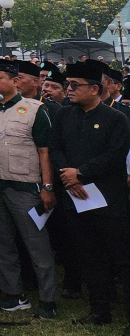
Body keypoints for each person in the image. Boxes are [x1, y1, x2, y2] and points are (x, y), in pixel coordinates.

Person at [50, 60, 130, 326]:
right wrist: (68, 177)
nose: (69, 89)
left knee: (120, 256)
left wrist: (80, 173)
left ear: (94, 89)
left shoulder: (116, 118)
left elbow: (115, 156)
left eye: (75, 85)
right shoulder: (63, 114)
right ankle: (99, 311)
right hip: (75, 197)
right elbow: (55, 147)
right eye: (68, 85)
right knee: (89, 255)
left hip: (109, 199)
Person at [0, 56, 57, 317]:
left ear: (16, 81)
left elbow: (45, 152)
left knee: (37, 245)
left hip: (24, 186)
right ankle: (13, 293)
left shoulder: (34, 110)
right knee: (2, 244)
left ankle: (48, 299)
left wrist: (47, 187)